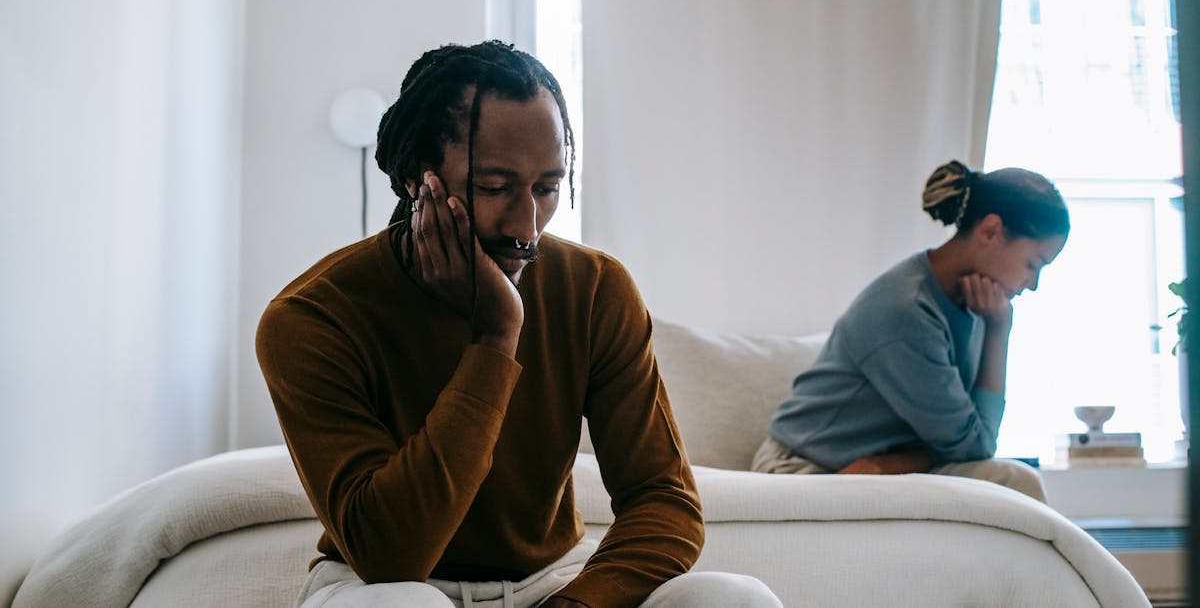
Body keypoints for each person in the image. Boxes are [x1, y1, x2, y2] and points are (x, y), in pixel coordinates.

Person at [257, 41, 781, 608]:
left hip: (550, 582)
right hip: (389, 587)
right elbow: (392, 556)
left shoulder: (596, 289)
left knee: (736, 598)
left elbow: (665, 501)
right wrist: (495, 336)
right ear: (418, 177)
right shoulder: (313, 317)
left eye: (548, 187)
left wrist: (576, 604)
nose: (526, 225)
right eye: (493, 187)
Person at [752, 160, 1070, 502]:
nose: (1033, 285)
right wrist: (999, 331)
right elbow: (973, 445)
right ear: (990, 230)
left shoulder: (977, 302)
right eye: (1033, 264)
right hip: (804, 470)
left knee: (1009, 483)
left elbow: (972, 443)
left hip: (871, 469)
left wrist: (896, 463)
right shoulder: (905, 310)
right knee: (1005, 481)